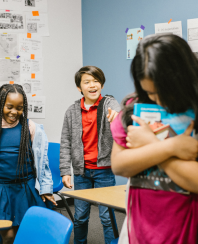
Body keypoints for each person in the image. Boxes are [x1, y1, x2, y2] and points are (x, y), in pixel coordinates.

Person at [110, 34, 198, 244]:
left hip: (190, 228)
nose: (158, 100)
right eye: (149, 92)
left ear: (183, 78)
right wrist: (171, 147)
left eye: (163, 91)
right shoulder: (136, 105)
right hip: (138, 228)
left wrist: (150, 145)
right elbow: (120, 166)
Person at [0, 84, 56, 244]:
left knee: (27, 233)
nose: (14, 112)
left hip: (25, 188)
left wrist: (46, 188)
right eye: (9, 106)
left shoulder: (31, 128)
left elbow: (43, 163)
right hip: (0, 190)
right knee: (7, 235)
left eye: (19, 108)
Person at [60, 66, 120, 244]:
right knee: (80, 216)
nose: (92, 85)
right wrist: (65, 171)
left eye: (96, 81)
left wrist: (117, 117)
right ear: (79, 87)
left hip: (104, 170)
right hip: (81, 171)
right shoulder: (71, 111)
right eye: (87, 82)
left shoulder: (109, 104)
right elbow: (65, 143)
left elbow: (118, 112)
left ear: (101, 84)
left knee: (107, 217)